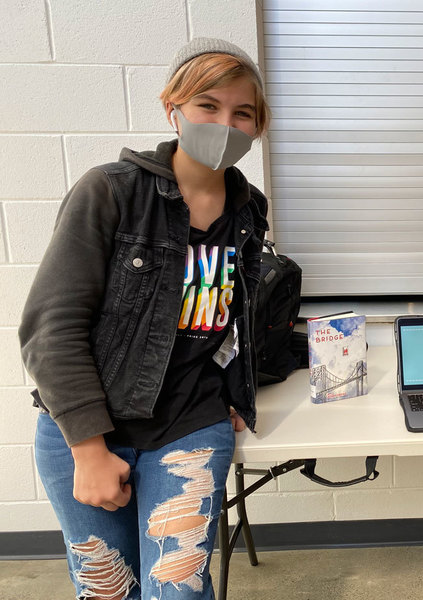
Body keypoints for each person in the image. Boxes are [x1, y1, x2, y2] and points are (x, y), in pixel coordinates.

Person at [19, 38, 270, 599]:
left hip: (189, 420)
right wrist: (88, 448)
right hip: (88, 428)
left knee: (176, 589)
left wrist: (233, 388)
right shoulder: (110, 191)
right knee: (108, 589)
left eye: (243, 113)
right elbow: (49, 329)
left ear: (257, 128)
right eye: (208, 106)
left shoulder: (249, 209)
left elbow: (236, 315)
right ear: (172, 109)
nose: (225, 123)